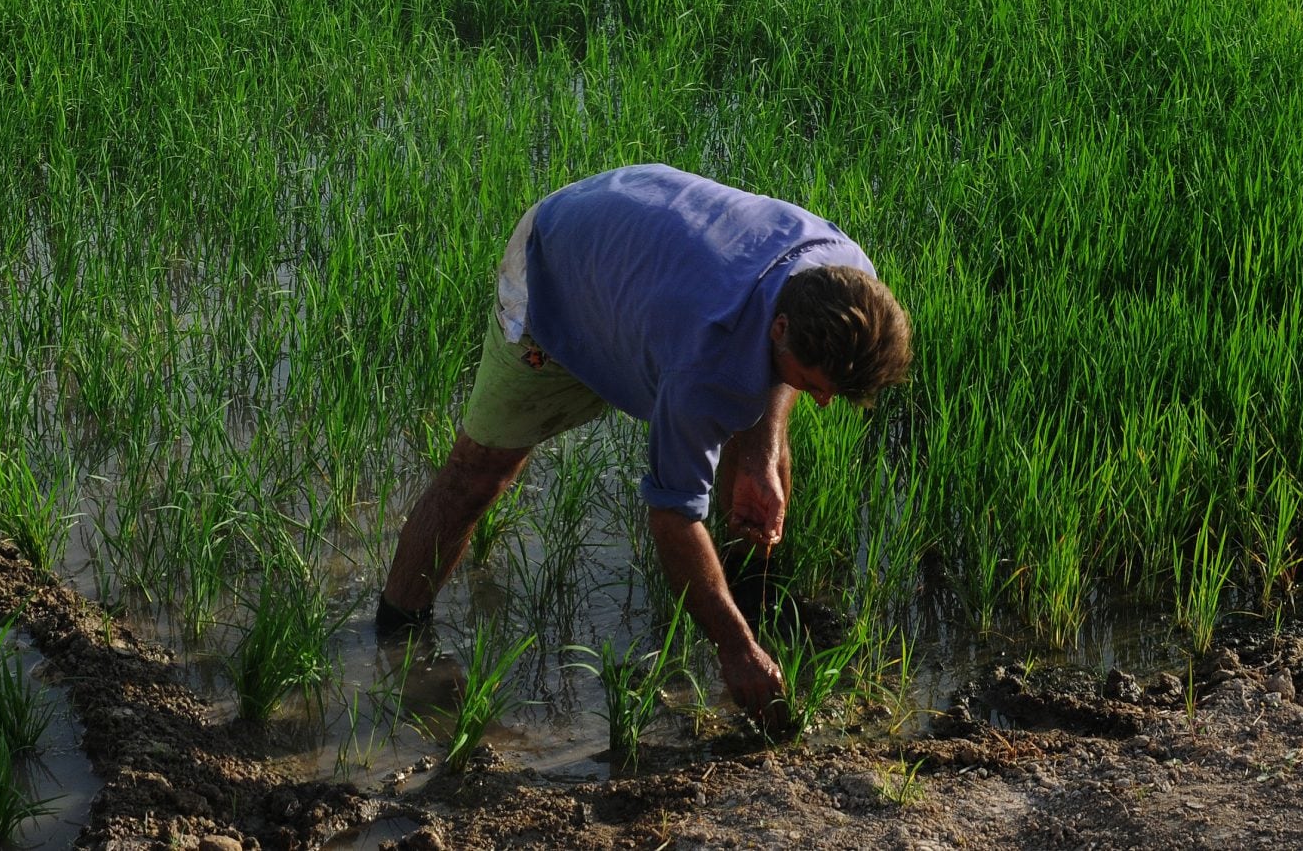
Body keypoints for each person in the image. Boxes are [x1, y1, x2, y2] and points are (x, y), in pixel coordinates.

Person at [376, 163, 912, 717]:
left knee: (750, 414)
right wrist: (735, 651)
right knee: (477, 473)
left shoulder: (847, 272)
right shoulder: (705, 367)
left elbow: (776, 362)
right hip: (560, 265)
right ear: (781, 329)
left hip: (644, 247)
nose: (821, 402)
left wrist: (762, 446)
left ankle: (747, 598)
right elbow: (672, 517)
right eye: (814, 386)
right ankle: (395, 636)